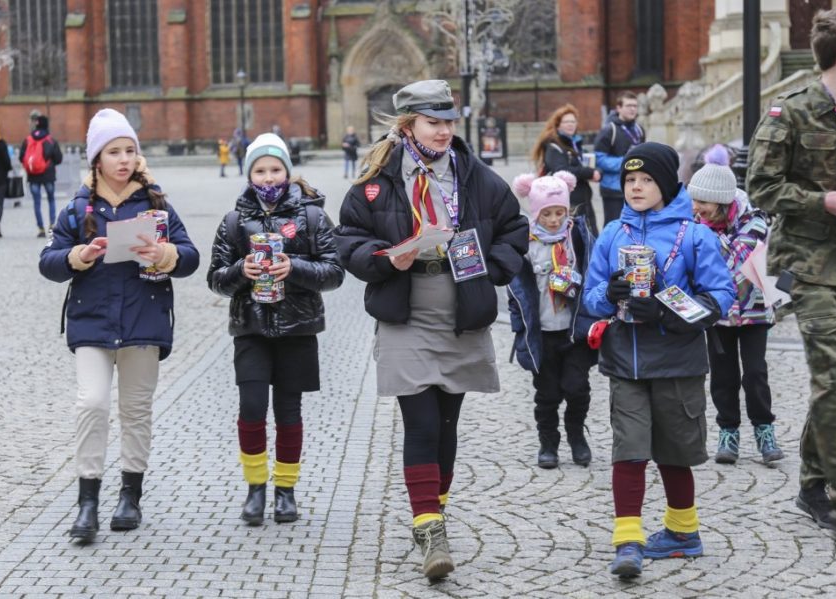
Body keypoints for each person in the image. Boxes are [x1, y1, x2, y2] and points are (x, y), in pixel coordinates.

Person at [333, 79, 528, 581]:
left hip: (460, 311)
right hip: (406, 312)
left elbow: (514, 229)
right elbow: (348, 237)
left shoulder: (476, 176)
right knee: (419, 422)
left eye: (447, 122)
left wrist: (493, 268)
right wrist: (382, 259)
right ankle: (432, 530)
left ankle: (429, 513)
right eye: (432, 123)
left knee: (446, 426)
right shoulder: (377, 180)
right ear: (408, 126)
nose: (443, 131)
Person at [39, 108, 200, 542]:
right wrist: (79, 256)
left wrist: (164, 255)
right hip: (92, 323)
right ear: (97, 159)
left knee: (135, 411)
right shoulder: (77, 208)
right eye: (114, 151)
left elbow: (190, 257)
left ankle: (130, 495)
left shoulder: (156, 203)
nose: (124, 159)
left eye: (130, 150)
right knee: (91, 404)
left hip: (143, 322)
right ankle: (87, 502)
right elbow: (48, 264)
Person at [582, 142, 735, 578]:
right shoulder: (613, 234)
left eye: (646, 179)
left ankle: (683, 532)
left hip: (678, 362)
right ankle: (627, 542)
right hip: (625, 362)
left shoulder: (695, 235)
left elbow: (720, 297)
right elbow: (590, 296)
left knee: (674, 452)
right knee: (628, 450)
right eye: (630, 180)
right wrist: (608, 296)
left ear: (667, 185)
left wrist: (668, 312)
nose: (636, 187)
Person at [746, 3, 836, 547]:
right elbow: (762, 189)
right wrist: (823, 201)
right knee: (835, 377)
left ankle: (813, 486)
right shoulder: (789, 113)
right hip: (807, 265)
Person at [207, 133, 344, 525]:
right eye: (260, 170)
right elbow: (215, 278)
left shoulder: (313, 216)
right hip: (250, 328)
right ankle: (255, 490)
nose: (269, 177)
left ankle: (286, 490)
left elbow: (334, 273)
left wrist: (294, 267)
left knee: (289, 411)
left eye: (275, 169)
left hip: (297, 328)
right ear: (249, 174)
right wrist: (241, 271)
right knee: (251, 408)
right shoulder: (234, 221)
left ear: (287, 170)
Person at [688, 145, 784, 466]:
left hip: (755, 309)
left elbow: (735, 260)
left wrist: (703, 236)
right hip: (719, 312)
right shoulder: (698, 222)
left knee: (755, 374)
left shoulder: (754, 221)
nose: (696, 208)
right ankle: (728, 431)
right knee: (722, 376)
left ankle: (764, 430)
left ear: (721, 199)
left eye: (702, 202)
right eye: (694, 201)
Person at [507, 170, 597, 469]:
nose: (555, 220)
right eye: (547, 214)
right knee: (547, 393)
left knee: (577, 388)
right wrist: (520, 328)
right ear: (536, 213)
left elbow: (594, 275)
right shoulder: (526, 244)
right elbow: (515, 291)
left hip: (573, 331)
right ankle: (548, 441)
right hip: (542, 332)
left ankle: (576, 436)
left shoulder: (578, 238)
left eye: (560, 212)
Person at [531, 104, 602, 236]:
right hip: (568, 202)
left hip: (584, 200)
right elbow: (561, 170)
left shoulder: (574, 144)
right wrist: (589, 173)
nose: (571, 124)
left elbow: (583, 165)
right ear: (558, 125)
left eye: (573, 121)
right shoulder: (554, 147)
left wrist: (596, 171)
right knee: (575, 240)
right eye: (566, 122)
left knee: (590, 238)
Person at [594, 92, 645, 227]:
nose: (632, 109)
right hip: (613, 189)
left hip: (635, 188)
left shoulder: (639, 129)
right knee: (613, 227)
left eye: (635, 106)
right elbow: (599, 159)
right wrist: (626, 162)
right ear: (618, 108)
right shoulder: (608, 130)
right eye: (628, 105)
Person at [20, 114, 64, 237]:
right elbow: (59, 159)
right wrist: (49, 162)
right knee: (51, 199)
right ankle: (51, 226)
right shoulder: (50, 140)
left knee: (37, 202)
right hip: (48, 175)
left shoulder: (28, 139)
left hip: (33, 175)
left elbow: (21, 157)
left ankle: (40, 228)